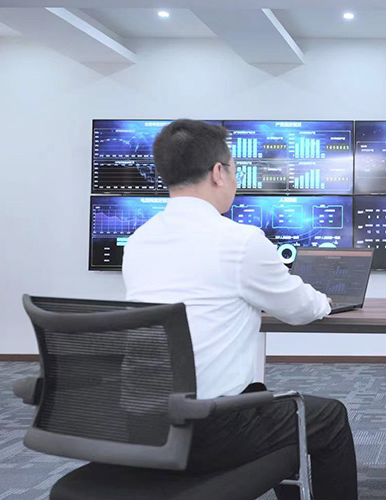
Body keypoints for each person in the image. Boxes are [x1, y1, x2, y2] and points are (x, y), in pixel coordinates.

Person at [122, 119, 357, 500]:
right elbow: (299, 309)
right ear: (218, 172)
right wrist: (323, 301)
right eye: (234, 169)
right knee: (329, 417)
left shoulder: (138, 242)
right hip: (212, 428)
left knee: (274, 408)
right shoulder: (240, 240)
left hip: (143, 426)